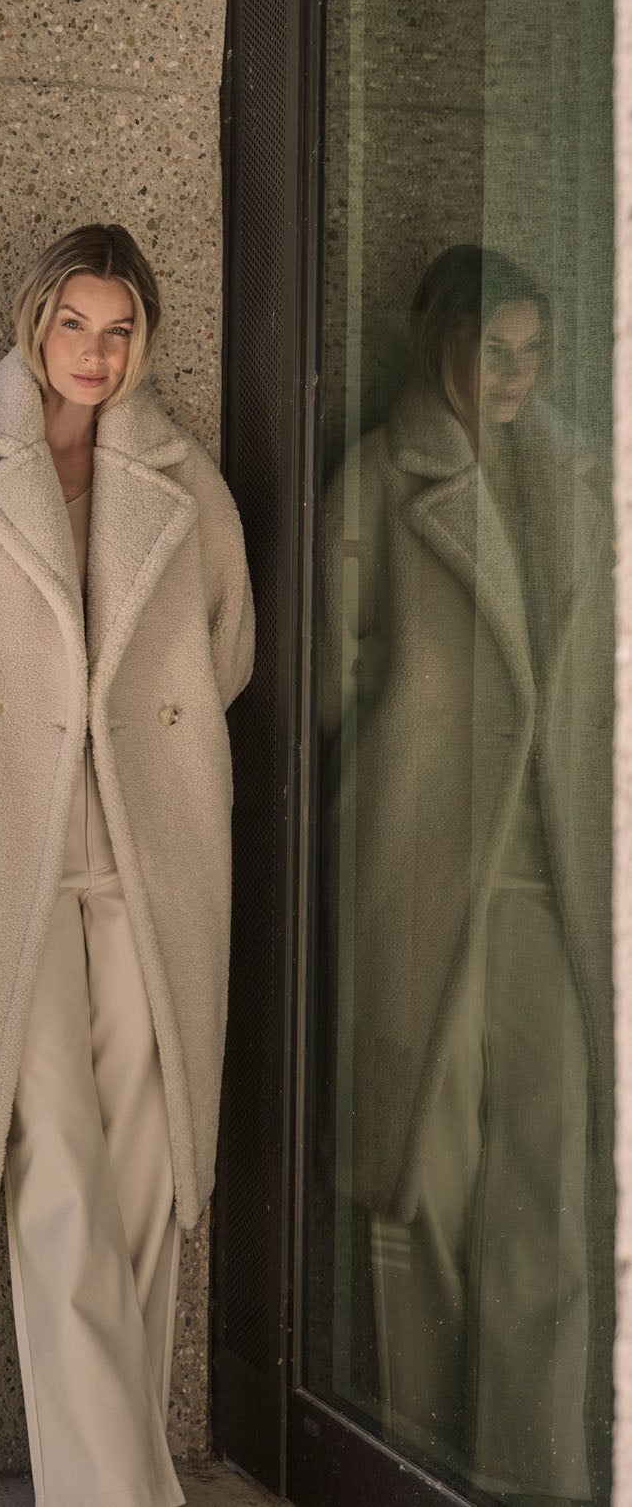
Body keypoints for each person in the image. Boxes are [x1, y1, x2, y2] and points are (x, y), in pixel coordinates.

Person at [0, 222, 254, 1507]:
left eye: (118, 330)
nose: (93, 351)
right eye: (73, 322)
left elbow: (225, 649)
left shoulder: (181, 478)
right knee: (58, 1169)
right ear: (34, 321)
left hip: (145, 853)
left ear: (143, 341)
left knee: (145, 1178)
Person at [319, 244, 613, 1502]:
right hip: (422, 874)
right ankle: (416, 1459)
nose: (513, 374)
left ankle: (531, 1473)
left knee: (546, 1185)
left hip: (548, 884)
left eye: (532, 352)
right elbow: (324, 684)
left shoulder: (575, 485)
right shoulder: (378, 479)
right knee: (418, 1187)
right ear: (434, 335)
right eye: (493, 347)